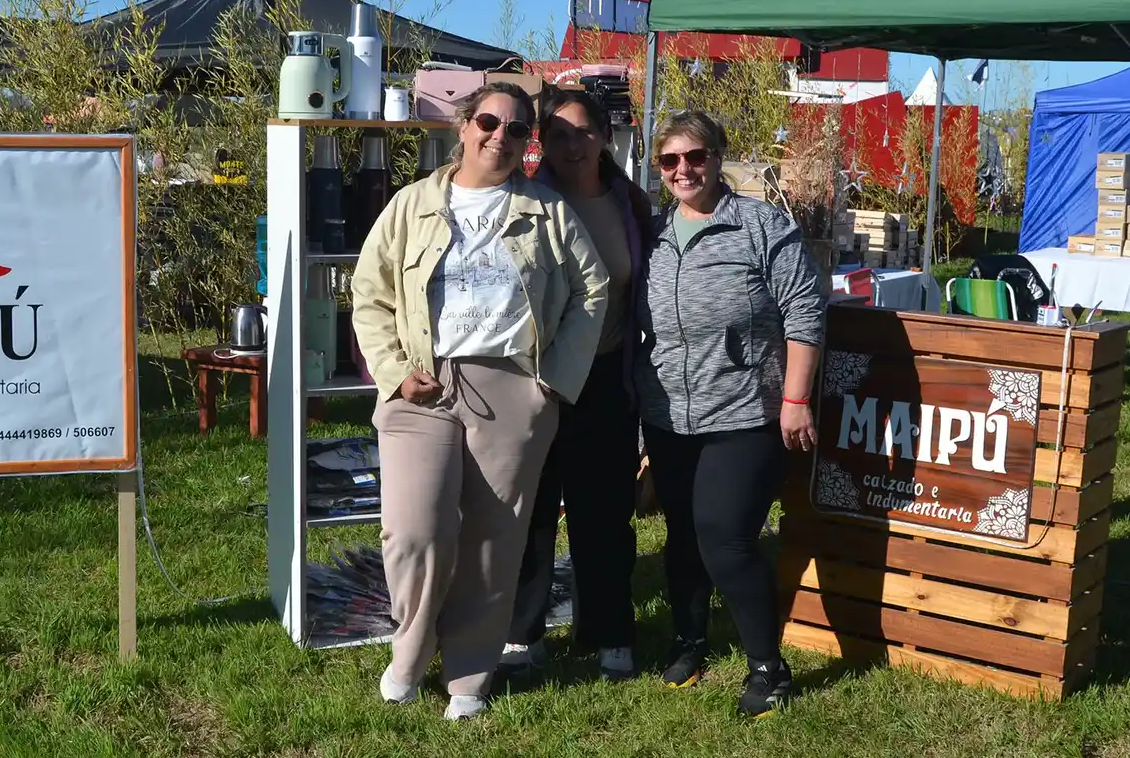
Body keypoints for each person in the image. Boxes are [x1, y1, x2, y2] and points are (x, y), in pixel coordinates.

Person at [351, 81, 608, 720]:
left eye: (518, 130)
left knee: (496, 540)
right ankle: (409, 653)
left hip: (512, 388)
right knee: (414, 531)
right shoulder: (413, 206)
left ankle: (469, 673)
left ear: (528, 144)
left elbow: (593, 290)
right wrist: (392, 371)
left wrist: (550, 382)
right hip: (422, 385)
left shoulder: (546, 212)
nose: (501, 136)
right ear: (464, 127)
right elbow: (369, 292)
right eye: (489, 122)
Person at [636, 110, 824, 718]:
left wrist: (795, 398)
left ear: (719, 158)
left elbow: (805, 311)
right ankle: (689, 641)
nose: (684, 170)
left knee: (724, 534)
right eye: (671, 160)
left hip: (745, 411)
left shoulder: (760, 225)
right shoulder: (656, 233)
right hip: (668, 414)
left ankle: (768, 667)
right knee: (682, 537)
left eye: (696, 157)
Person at [502, 88, 651, 681]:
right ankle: (523, 632)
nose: (572, 144)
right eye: (558, 134)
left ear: (605, 138)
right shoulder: (522, 201)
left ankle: (609, 629)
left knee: (605, 513)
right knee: (532, 511)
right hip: (532, 383)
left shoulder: (629, 205)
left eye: (583, 131)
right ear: (542, 141)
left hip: (606, 379)